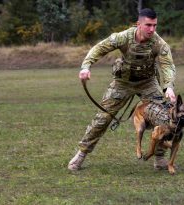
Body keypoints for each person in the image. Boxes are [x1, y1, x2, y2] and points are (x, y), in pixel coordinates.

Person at [68, 8, 176, 172]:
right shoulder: (123, 37)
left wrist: (168, 86)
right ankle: (81, 154)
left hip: (148, 82)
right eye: (148, 25)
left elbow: (167, 66)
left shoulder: (159, 43)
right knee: (103, 118)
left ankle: (159, 157)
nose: (152, 29)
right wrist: (86, 67)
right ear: (138, 23)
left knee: (164, 117)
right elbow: (100, 48)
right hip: (122, 83)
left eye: (154, 25)